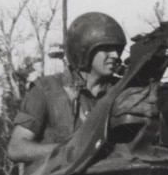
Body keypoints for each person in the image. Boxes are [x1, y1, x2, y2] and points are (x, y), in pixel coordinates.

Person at [7, 12, 126, 166]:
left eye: (117, 49)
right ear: (84, 50)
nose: (115, 55)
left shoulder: (122, 92)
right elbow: (16, 148)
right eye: (107, 49)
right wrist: (69, 151)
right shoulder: (47, 90)